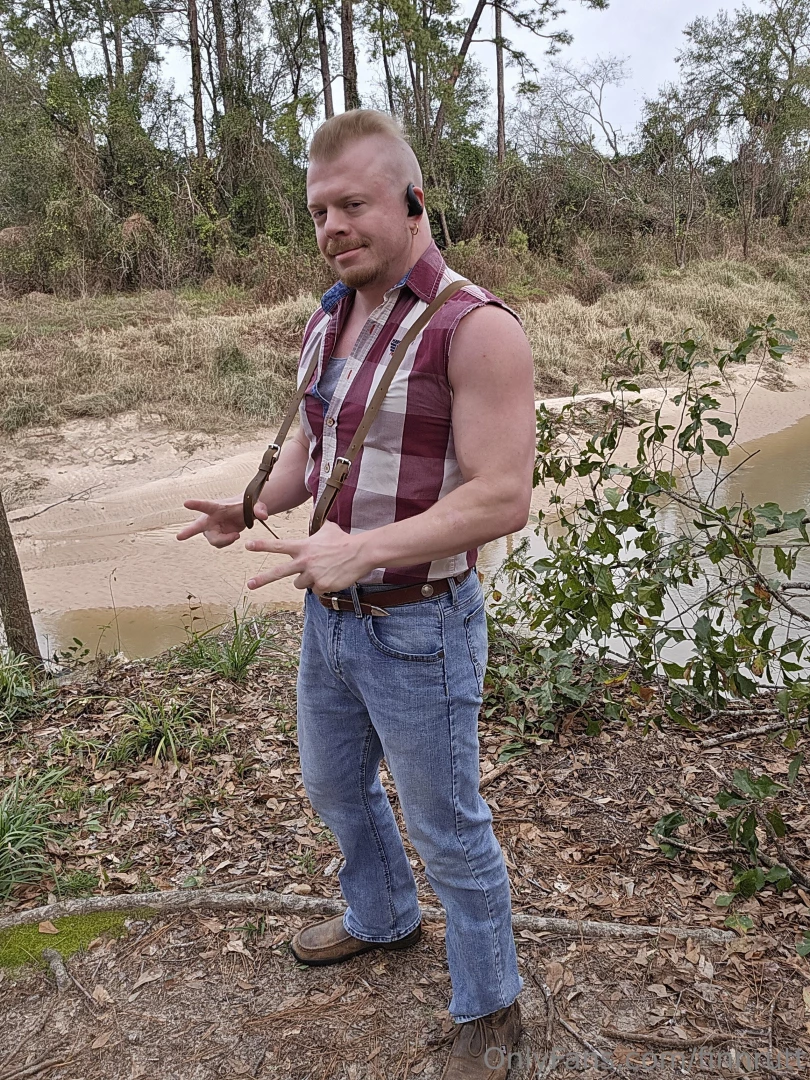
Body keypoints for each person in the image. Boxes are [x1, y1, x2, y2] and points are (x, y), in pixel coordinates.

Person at [177, 109, 536, 1080]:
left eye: (352, 205)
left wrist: (365, 549)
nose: (332, 227)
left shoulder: (476, 328)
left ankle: (491, 1007)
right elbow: (317, 445)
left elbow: (503, 496)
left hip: (422, 626)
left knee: (448, 828)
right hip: (329, 618)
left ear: (413, 201)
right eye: (318, 211)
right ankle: (381, 917)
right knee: (335, 786)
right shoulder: (330, 316)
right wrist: (251, 504)